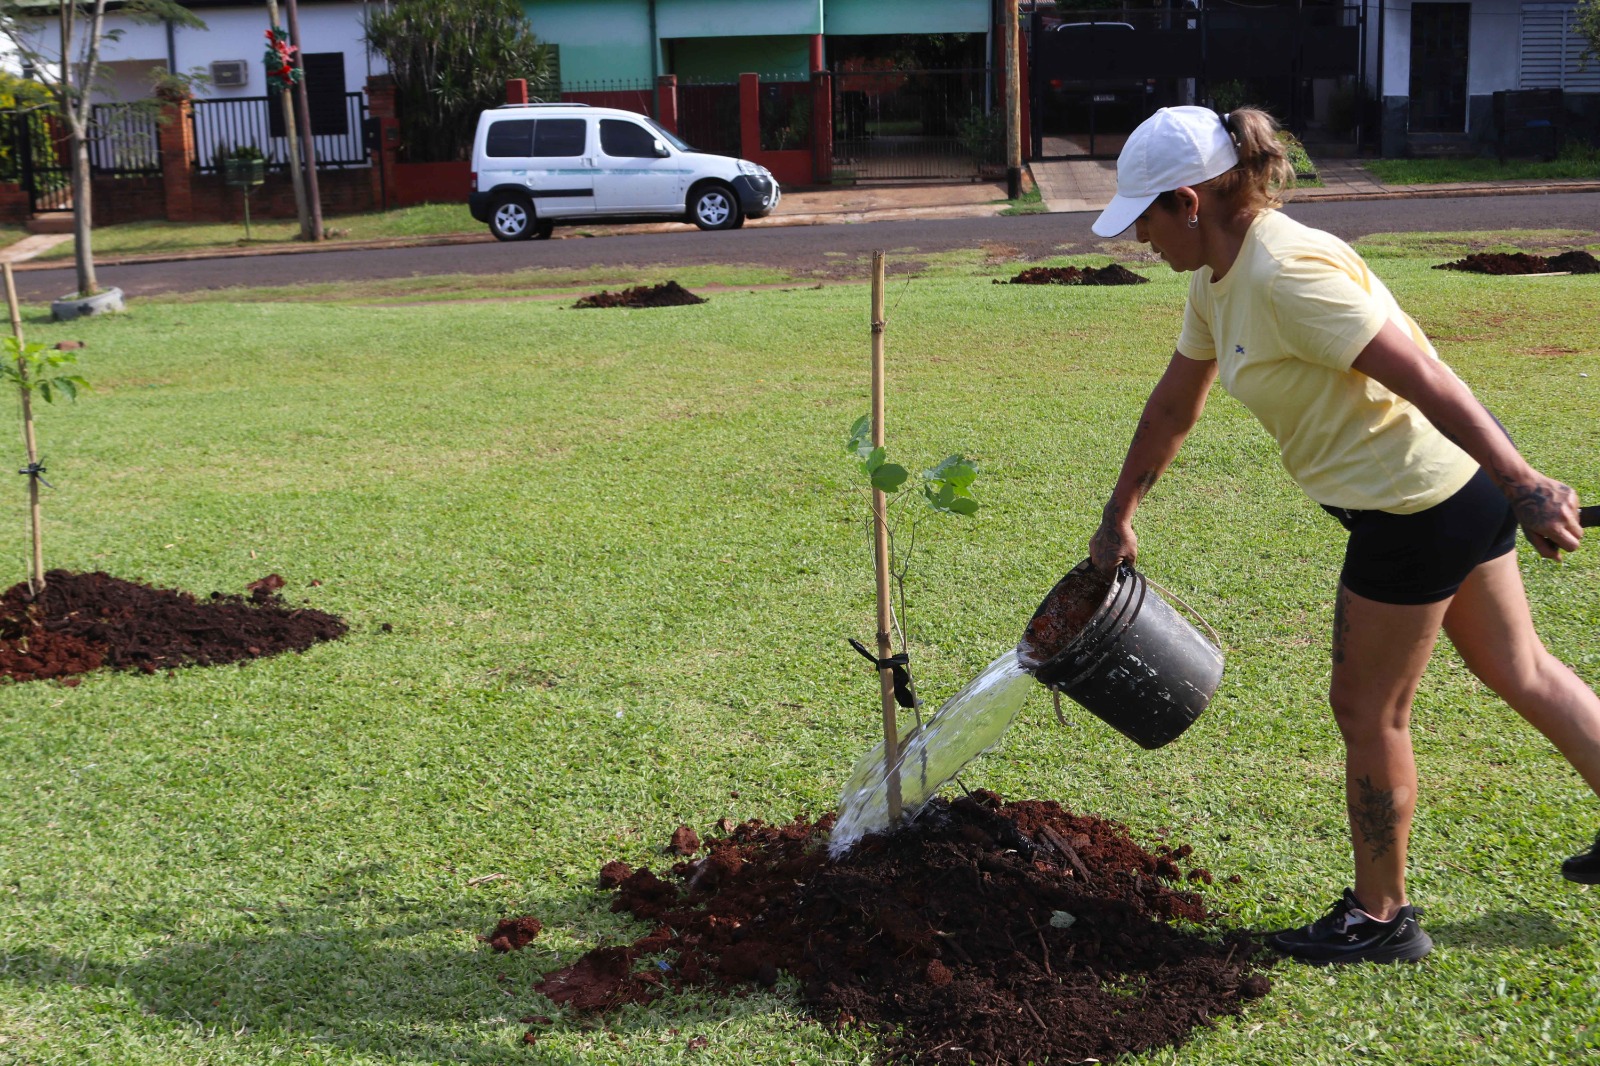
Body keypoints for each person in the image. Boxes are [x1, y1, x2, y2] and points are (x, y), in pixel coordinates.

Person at [1086, 105, 1600, 965]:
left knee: (1367, 709)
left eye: (1142, 216)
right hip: (1439, 496)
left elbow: (1426, 373)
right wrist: (1119, 512)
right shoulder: (1219, 277)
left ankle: (1380, 917)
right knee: (1521, 668)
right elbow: (1176, 402)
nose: (1137, 237)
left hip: (1416, 509)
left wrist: (1522, 482)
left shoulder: (1287, 273)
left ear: (1189, 202)